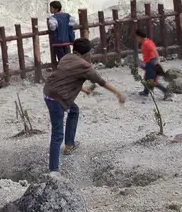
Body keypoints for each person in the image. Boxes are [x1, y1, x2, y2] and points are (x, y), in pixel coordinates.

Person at [42, 38, 126, 172]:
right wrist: (118, 93)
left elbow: (65, 77)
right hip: (57, 99)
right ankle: (53, 171)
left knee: (74, 110)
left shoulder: (66, 57)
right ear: (87, 54)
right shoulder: (85, 66)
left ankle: (69, 145)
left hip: (48, 91)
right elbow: (101, 82)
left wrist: (82, 88)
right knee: (57, 134)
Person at [134, 28, 171, 99]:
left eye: (136, 37)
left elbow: (154, 50)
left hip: (151, 63)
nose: (136, 38)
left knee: (151, 81)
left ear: (139, 36)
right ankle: (145, 92)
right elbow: (154, 49)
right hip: (150, 62)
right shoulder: (148, 41)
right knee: (146, 79)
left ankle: (166, 91)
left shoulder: (146, 43)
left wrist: (158, 59)